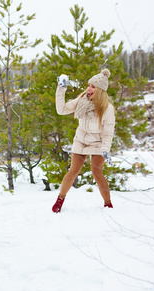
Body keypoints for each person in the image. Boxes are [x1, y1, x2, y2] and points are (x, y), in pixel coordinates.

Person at [52, 69, 115, 213]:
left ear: (100, 90)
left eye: (93, 86)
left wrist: (105, 149)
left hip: (98, 143)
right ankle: (60, 200)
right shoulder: (82, 99)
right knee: (73, 170)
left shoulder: (107, 109)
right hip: (81, 140)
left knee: (97, 172)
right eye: (89, 85)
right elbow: (61, 110)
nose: (89, 89)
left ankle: (108, 204)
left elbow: (108, 132)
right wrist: (61, 89)